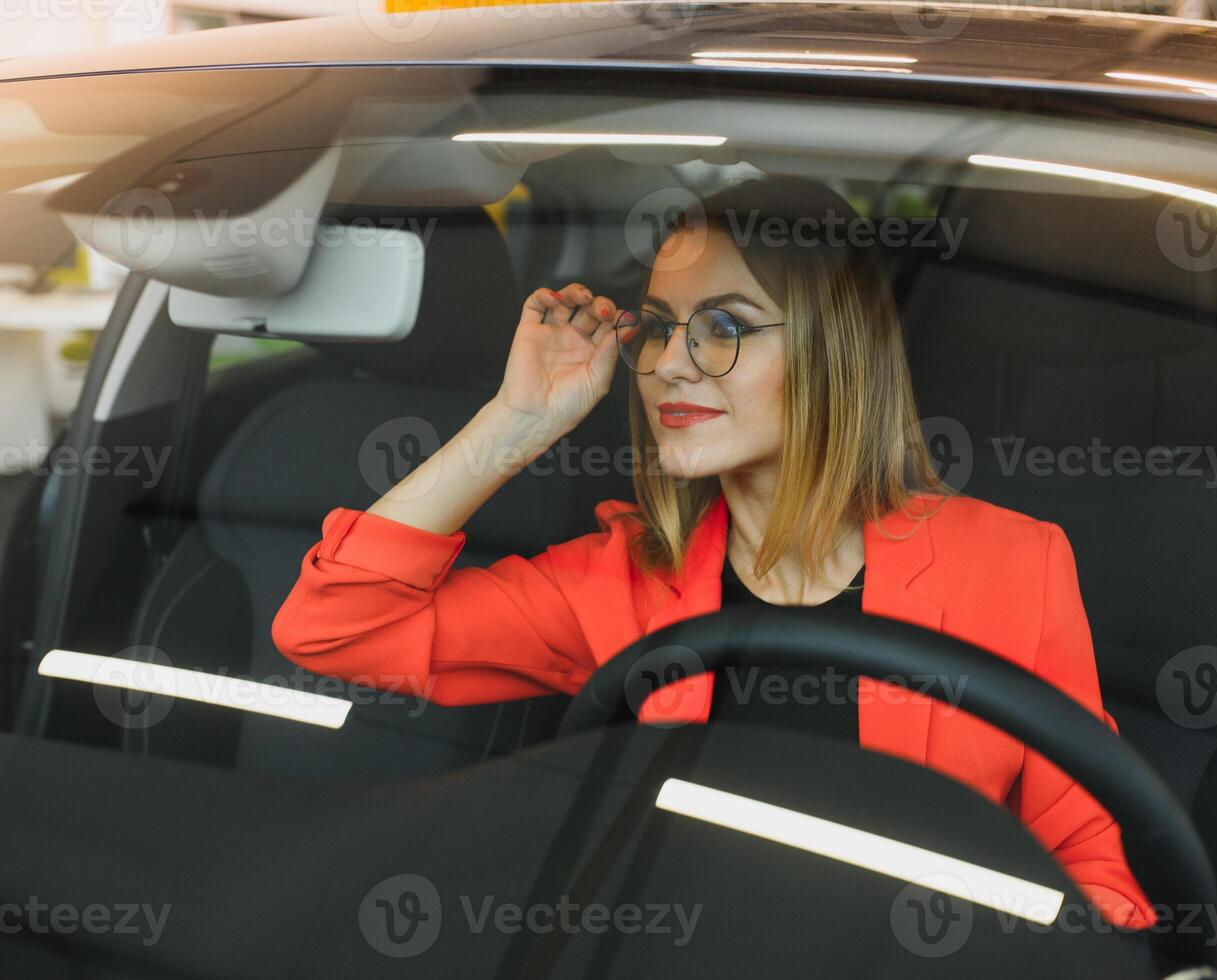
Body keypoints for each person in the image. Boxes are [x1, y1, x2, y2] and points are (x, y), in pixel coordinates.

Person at [272, 175, 1155, 928]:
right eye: (658, 326)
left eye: (724, 327)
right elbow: (334, 628)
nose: (670, 365)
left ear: (829, 351)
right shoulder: (620, 575)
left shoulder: (1015, 567)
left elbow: (1092, 867)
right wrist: (517, 423)